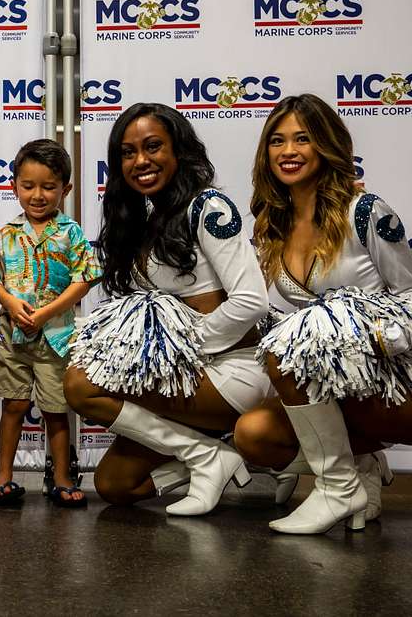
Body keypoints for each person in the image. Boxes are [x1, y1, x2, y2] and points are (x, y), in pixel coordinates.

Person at [234, 93, 412, 534]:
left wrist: (380, 339)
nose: (288, 152)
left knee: (291, 350)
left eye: (302, 139)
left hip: (390, 388)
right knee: (251, 434)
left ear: (327, 145)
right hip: (323, 388)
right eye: (277, 141)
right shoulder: (270, 224)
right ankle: (360, 469)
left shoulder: (365, 211)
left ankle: (335, 486)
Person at [63, 103, 271, 516]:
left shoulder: (208, 206)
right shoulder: (145, 217)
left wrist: (175, 353)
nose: (140, 160)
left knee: (80, 384)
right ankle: (210, 455)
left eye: (153, 146)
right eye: (127, 152)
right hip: (185, 376)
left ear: (179, 151)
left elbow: (252, 300)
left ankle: (214, 454)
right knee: (117, 485)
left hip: (231, 369)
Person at [0, 139, 102, 507]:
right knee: (13, 406)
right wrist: (9, 300)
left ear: (64, 189)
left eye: (49, 187)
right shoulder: (5, 234)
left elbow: (87, 277)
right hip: (13, 339)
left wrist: (49, 312)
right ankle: (4, 477)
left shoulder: (71, 233)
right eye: (28, 185)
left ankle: (62, 477)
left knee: (55, 411)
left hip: (55, 340)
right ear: (13, 185)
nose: (38, 195)